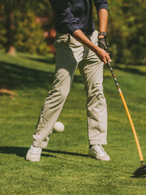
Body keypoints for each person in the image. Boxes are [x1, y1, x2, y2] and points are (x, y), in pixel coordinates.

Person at [27, 0, 112, 162]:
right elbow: (69, 23)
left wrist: (102, 35)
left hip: (92, 37)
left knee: (96, 91)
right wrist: (96, 49)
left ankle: (96, 144)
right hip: (68, 40)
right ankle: (36, 145)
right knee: (60, 91)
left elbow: (102, 3)